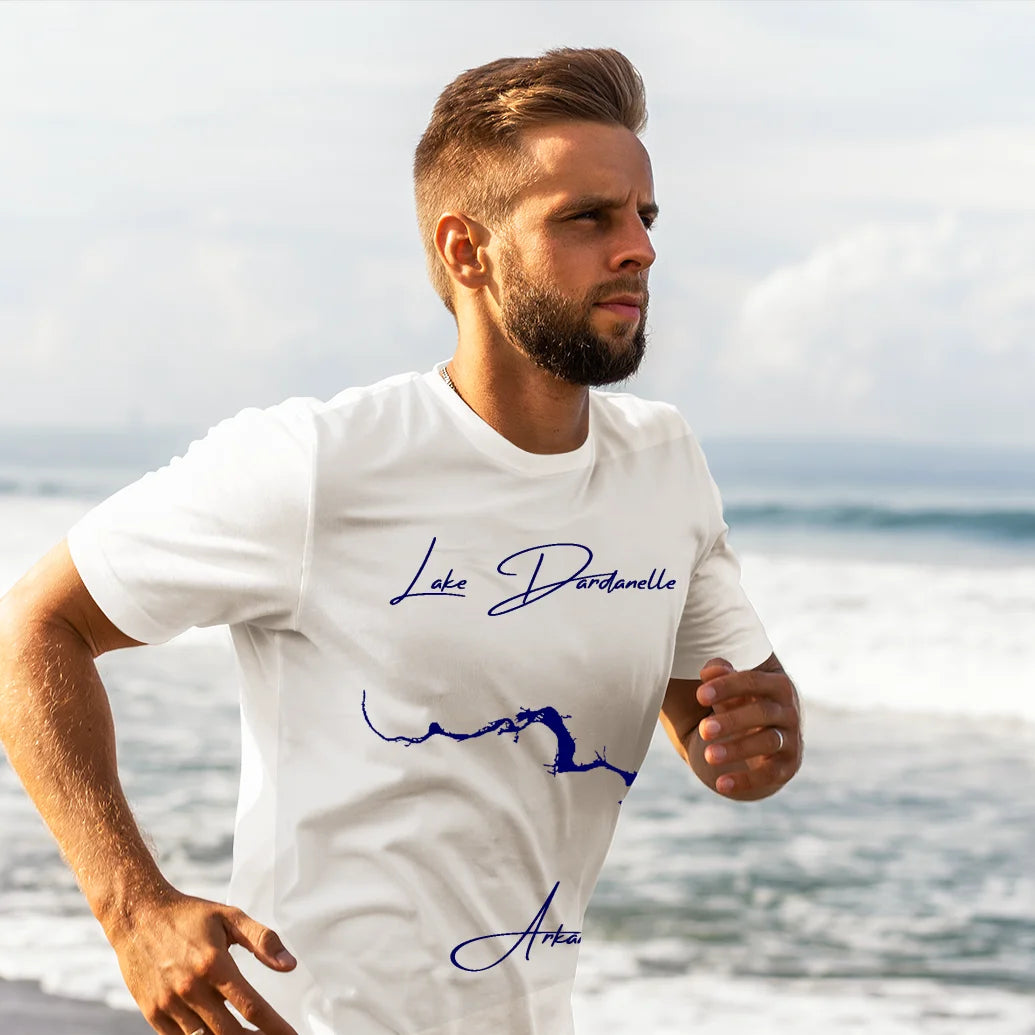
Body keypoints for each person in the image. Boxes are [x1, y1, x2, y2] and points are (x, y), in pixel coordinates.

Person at [0, 46, 802, 1035]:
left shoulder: (663, 463)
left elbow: (725, 729)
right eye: (587, 218)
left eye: (644, 215)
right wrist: (133, 911)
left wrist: (757, 744)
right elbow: (30, 627)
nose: (637, 247)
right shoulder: (319, 463)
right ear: (467, 251)